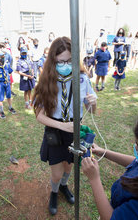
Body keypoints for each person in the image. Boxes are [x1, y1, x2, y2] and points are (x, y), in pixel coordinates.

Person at [32, 36, 97, 215]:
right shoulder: (46, 81)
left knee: (69, 166)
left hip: (75, 131)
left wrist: (93, 102)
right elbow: (39, 116)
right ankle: (54, 191)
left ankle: (63, 187)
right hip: (56, 131)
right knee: (56, 172)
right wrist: (63, 126)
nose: (65, 64)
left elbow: (91, 111)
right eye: (61, 61)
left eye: (69, 60)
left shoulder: (83, 78)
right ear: (53, 61)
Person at [0, 51, 16, 119]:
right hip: (0, 84)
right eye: (1, 57)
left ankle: (10, 107)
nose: (2, 58)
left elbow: (10, 72)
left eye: (3, 56)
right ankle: (1, 111)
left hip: (7, 83)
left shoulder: (6, 65)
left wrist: (7, 77)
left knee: (9, 96)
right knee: (1, 98)